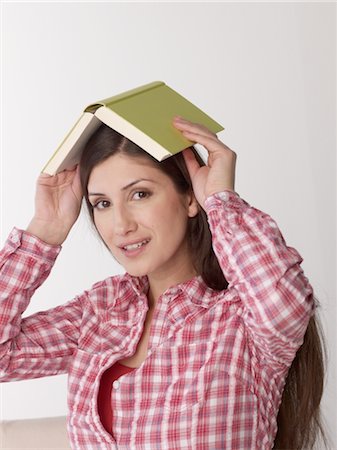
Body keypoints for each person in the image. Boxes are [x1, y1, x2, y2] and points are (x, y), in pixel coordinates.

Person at [0, 117, 326, 450]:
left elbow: (282, 304)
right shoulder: (102, 310)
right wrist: (45, 229)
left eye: (139, 194)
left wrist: (220, 200)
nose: (120, 225)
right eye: (102, 204)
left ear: (189, 199)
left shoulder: (241, 315)